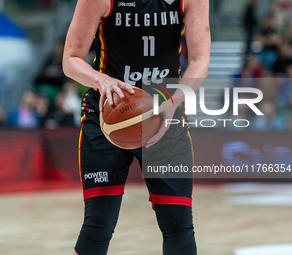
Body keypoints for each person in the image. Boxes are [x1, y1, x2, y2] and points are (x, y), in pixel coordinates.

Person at [62, 0, 210, 254]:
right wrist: (101, 79)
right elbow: (71, 60)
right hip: (108, 117)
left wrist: (173, 102)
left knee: (179, 228)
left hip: (165, 113)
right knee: (97, 226)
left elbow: (199, 61)